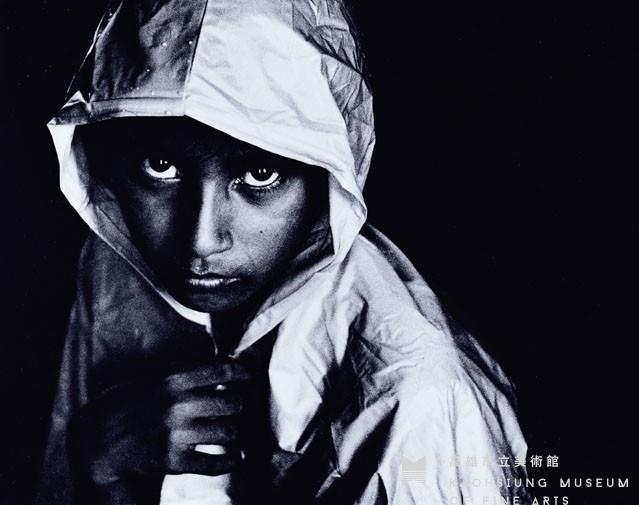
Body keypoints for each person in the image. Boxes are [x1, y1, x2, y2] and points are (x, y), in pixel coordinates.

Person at [35, 1, 531, 504]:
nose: (202, 241)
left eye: (260, 175)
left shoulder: (415, 405)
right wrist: (99, 466)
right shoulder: (113, 268)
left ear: (328, 176)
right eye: (160, 167)